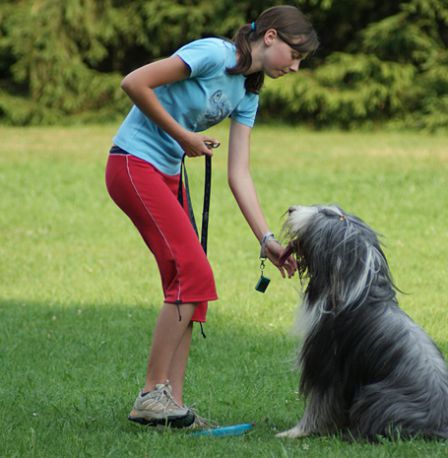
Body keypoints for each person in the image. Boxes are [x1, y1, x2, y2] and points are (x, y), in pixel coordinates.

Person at [105, 5, 319, 428]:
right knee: (192, 271)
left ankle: (174, 407)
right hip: (133, 163)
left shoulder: (248, 92)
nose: (295, 67)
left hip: (166, 172)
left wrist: (267, 240)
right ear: (271, 37)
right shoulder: (212, 54)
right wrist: (183, 135)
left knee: (192, 284)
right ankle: (151, 394)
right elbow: (134, 82)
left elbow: (238, 173)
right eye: (294, 55)